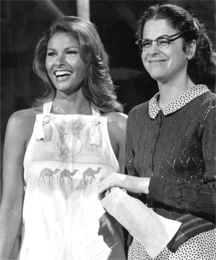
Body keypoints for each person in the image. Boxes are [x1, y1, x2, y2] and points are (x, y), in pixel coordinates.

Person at [0, 16, 127, 260]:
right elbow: (11, 206)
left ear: (90, 58)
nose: (58, 62)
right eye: (51, 54)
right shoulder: (22, 124)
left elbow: (130, 207)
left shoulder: (119, 126)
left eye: (70, 52)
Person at [99, 3, 216, 260]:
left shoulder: (210, 109)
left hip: (196, 250)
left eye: (163, 41)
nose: (152, 51)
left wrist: (144, 185)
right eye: (146, 43)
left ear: (190, 48)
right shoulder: (138, 116)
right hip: (142, 251)